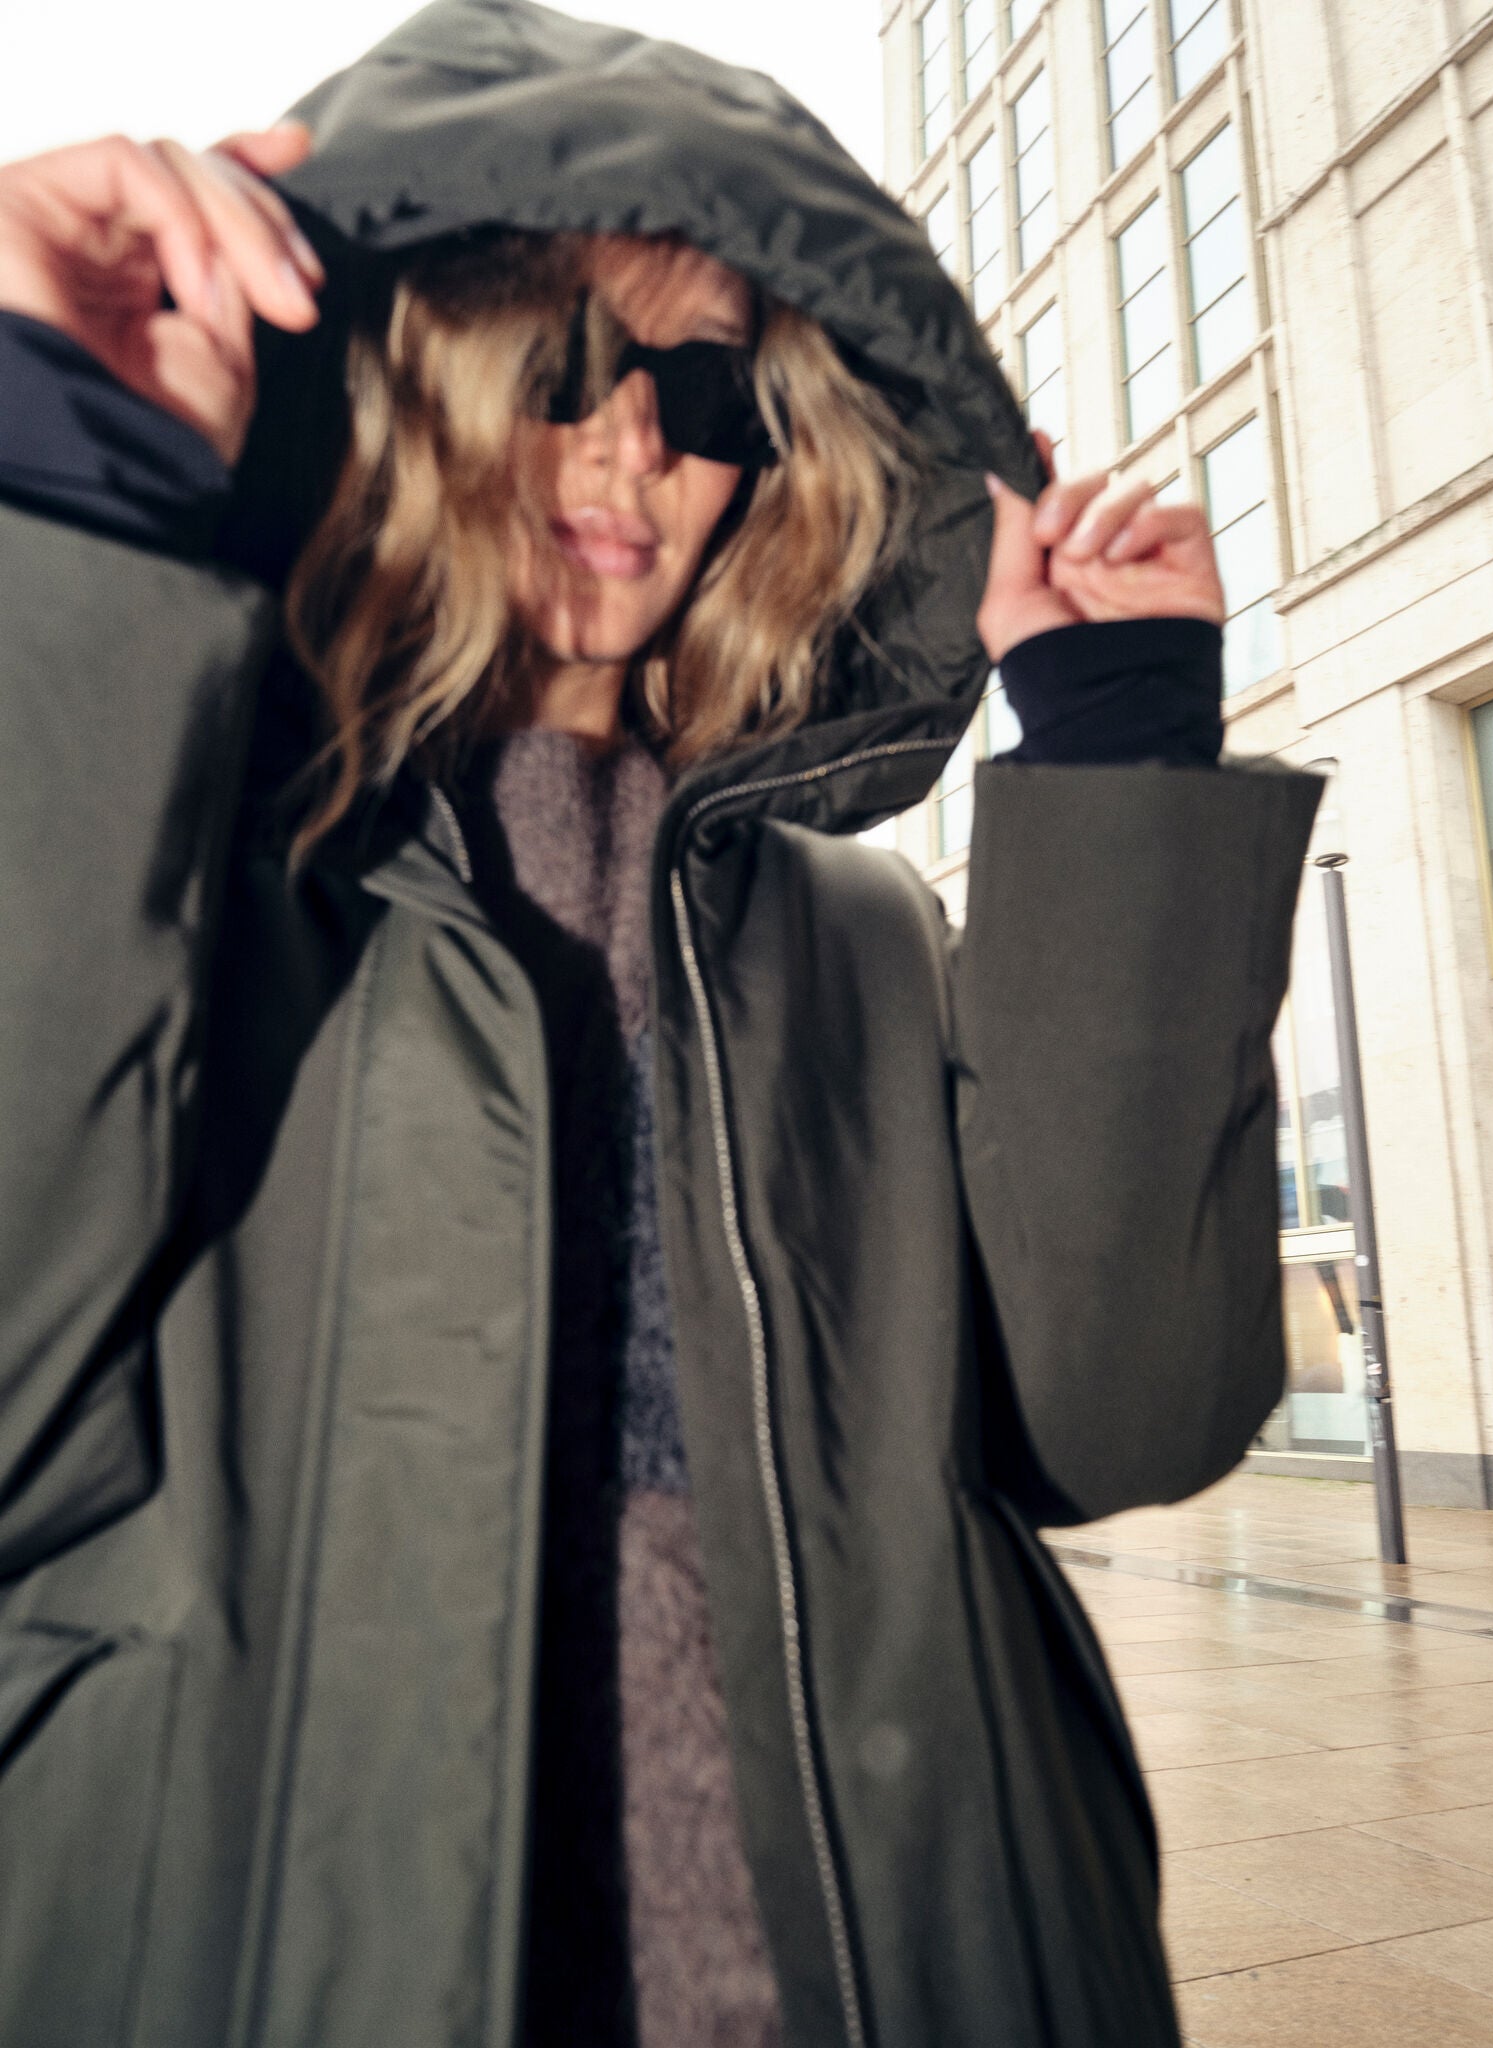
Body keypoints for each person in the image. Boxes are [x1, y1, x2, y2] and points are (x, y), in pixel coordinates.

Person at [0, 5, 1319, 2045]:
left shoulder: (863, 933)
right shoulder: (190, 874)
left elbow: (1124, 1419)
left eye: (702, 390)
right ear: (403, 379)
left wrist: (1121, 759)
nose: (632, 451)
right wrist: (67, 501)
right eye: (560, 362)